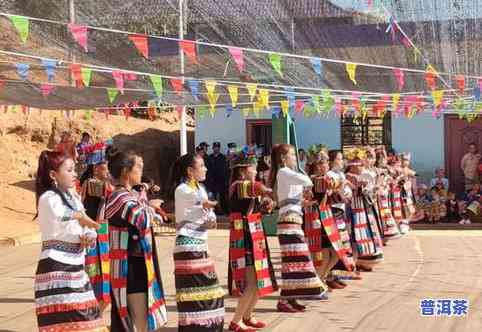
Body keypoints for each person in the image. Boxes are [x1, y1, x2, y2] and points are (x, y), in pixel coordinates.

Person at [34, 150, 106, 332]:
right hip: (57, 268)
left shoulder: (74, 199)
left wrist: (88, 236)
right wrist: (80, 217)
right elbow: (61, 215)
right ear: (53, 175)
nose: (75, 174)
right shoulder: (48, 198)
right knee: (69, 324)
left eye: (74, 170)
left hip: (76, 268)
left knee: (89, 321)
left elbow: (88, 228)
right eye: (69, 170)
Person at [105, 151, 168, 332]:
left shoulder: (129, 195)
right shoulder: (119, 196)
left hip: (137, 263)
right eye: (138, 167)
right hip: (130, 267)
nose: (141, 172)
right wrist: (151, 207)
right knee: (140, 321)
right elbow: (142, 220)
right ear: (126, 171)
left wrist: (146, 204)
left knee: (142, 320)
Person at [269, 144, 327, 313]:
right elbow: (307, 181)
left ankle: (288, 298)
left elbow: (295, 197)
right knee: (295, 262)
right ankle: (286, 299)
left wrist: (304, 201)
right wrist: (305, 170)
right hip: (288, 223)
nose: (295, 158)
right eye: (292, 155)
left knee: (293, 263)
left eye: (295, 155)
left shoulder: (289, 174)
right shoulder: (284, 172)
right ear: (283, 158)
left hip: (294, 220)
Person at [173, 154, 225, 332]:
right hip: (188, 246)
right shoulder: (182, 189)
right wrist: (209, 205)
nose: (206, 168)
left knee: (209, 289)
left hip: (200, 244)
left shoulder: (200, 188)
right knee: (196, 290)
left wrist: (211, 219)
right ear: (190, 171)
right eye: (201, 166)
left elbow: (207, 213)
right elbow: (201, 203)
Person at [227, 149, 277, 332]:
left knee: (259, 280)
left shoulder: (249, 186)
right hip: (244, 238)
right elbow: (253, 188)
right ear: (242, 170)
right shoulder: (238, 185)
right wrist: (265, 189)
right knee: (251, 282)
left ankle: (247, 315)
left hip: (255, 236)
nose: (256, 171)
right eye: (253, 167)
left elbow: (255, 206)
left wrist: (266, 205)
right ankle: (236, 321)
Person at [305, 150, 354, 290]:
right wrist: (340, 185)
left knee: (336, 253)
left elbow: (337, 198)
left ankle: (321, 280)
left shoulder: (326, 179)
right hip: (318, 220)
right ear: (315, 166)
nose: (324, 166)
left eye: (325, 162)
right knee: (325, 255)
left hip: (327, 218)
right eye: (321, 163)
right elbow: (324, 193)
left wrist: (338, 189)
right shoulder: (316, 179)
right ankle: (318, 283)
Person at [81, 161, 114, 311]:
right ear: (95, 170)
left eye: (107, 170)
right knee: (92, 270)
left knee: (104, 271)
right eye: (104, 169)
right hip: (90, 230)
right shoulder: (90, 183)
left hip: (102, 230)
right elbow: (109, 191)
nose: (106, 172)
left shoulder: (102, 183)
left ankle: (98, 310)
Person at [345, 148, 384, 270]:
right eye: (359, 164)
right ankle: (354, 265)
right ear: (353, 166)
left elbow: (368, 193)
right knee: (355, 237)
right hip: (353, 211)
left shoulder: (363, 175)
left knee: (365, 236)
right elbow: (348, 194)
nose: (362, 166)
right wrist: (361, 188)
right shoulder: (347, 177)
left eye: (362, 164)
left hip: (364, 210)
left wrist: (372, 190)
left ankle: (364, 262)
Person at [206, 142, 229, 214]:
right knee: (212, 196)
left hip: (220, 180)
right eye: (215, 147)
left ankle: (223, 210)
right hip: (212, 180)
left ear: (219, 148)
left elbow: (225, 168)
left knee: (221, 196)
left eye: (217, 147)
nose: (216, 148)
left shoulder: (222, 157)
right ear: (213, 148)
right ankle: (214, 210)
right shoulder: (210, 157)